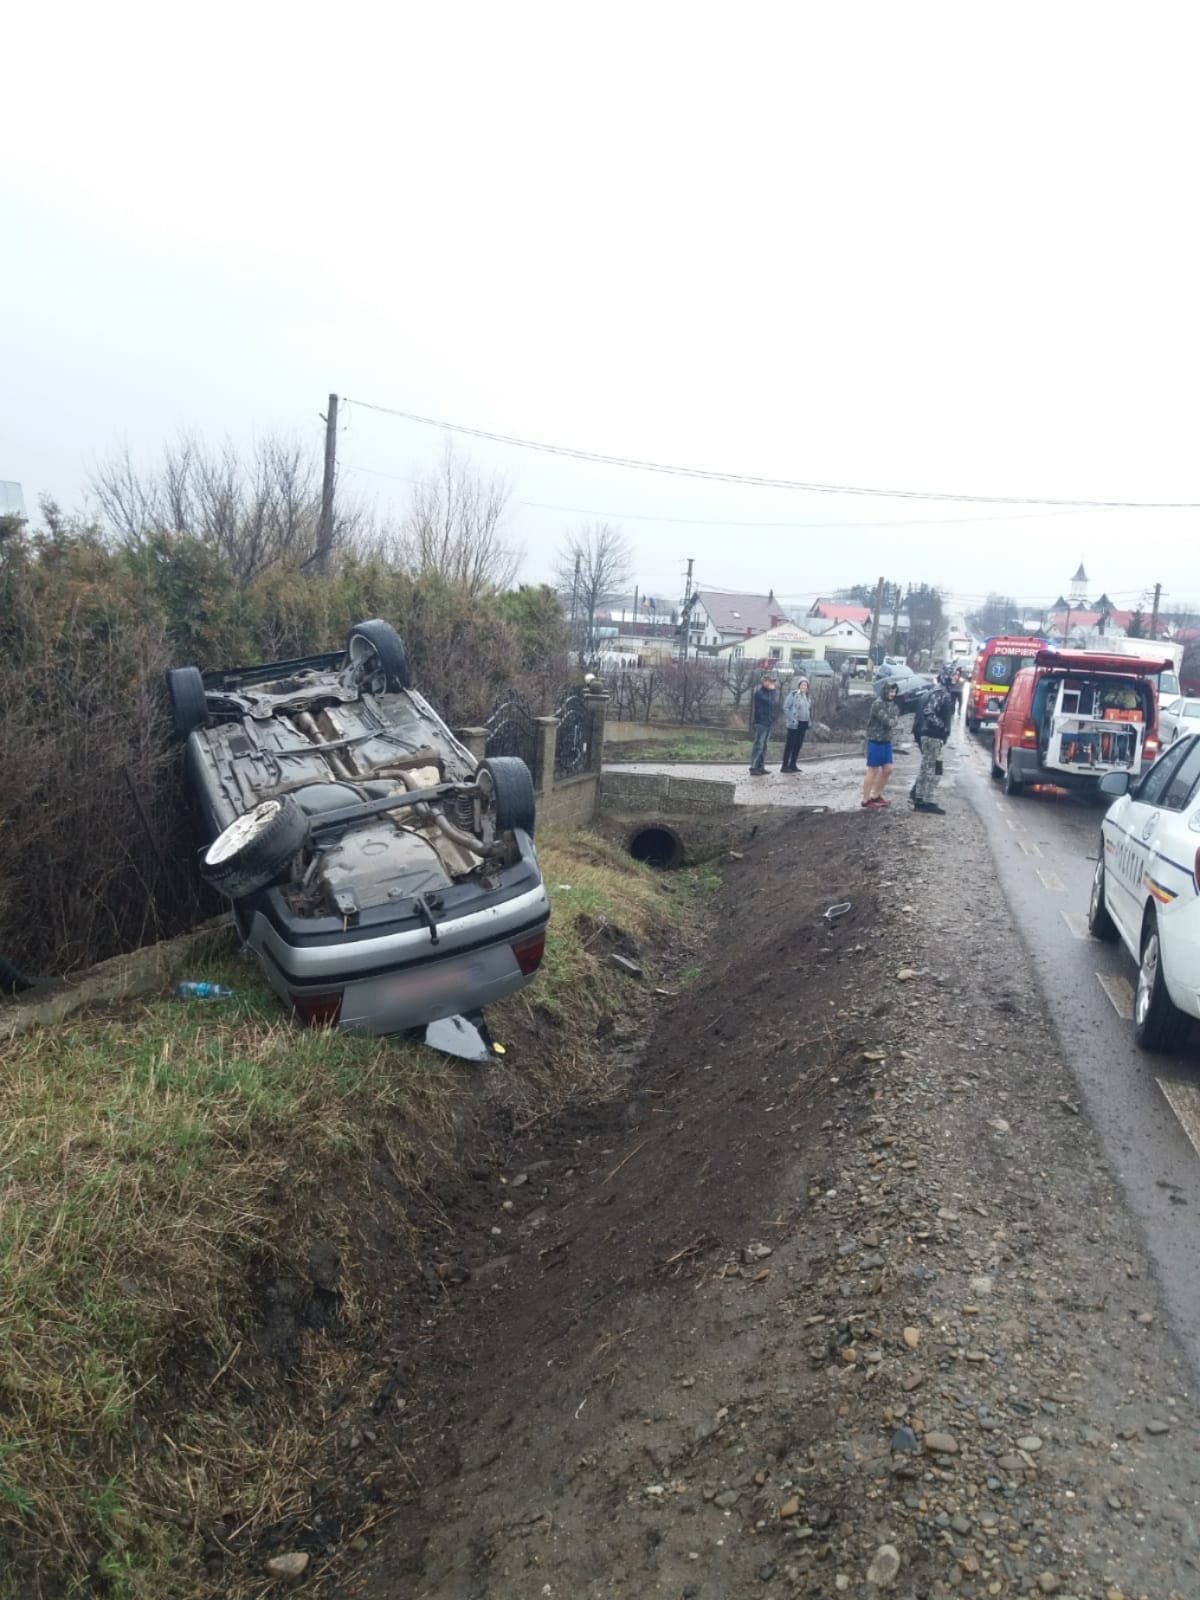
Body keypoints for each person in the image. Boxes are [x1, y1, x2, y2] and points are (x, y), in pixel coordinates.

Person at [910, 670, 955, 814]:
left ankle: (919, 799)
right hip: (933, 736)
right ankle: (927, 801)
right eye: (953, 676)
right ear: (947, 678)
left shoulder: (935, 691)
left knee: (926, 767)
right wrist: (942, 727)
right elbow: (929, 711)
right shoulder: (941, 693)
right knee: (934, 768)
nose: (955, 679)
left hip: (928, 735)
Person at [862, 679, 900, 807]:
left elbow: (894, 719)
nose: (892, 694)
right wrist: (894, 718)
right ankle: (865, 800)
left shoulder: (893, 705)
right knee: (873, 770)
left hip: (886, 741)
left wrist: (894, 718)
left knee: (888, 769)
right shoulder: (877, 704)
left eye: (894, 691)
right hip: (875, 740)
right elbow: (889, 722)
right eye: (890, 691)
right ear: (885, 691)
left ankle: (876, 796)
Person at [781, 677, 811, 771]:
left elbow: (808, 709)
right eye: (802, 685)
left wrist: (809, 721)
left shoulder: (807, 697)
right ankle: (784, 765)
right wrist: (792, 718)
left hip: (803, 723)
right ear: (799, 686)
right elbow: (786, 707)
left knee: (798, 745)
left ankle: (793, 764)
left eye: (805, 685)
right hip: (794, 724)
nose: (804, 687)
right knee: (790, 744)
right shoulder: (794, 695)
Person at [749, 674, 777, 775]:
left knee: (764, 746)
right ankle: (754, 767)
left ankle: (760, 766)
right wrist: (773, 691)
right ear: (764, 682)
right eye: (770, 681)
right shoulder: (760, 693)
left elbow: (772, 704)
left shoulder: (767, 693)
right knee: (759, 745)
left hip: (767, 722)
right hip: (761, 722)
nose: (772, 684)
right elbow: (769, 702)